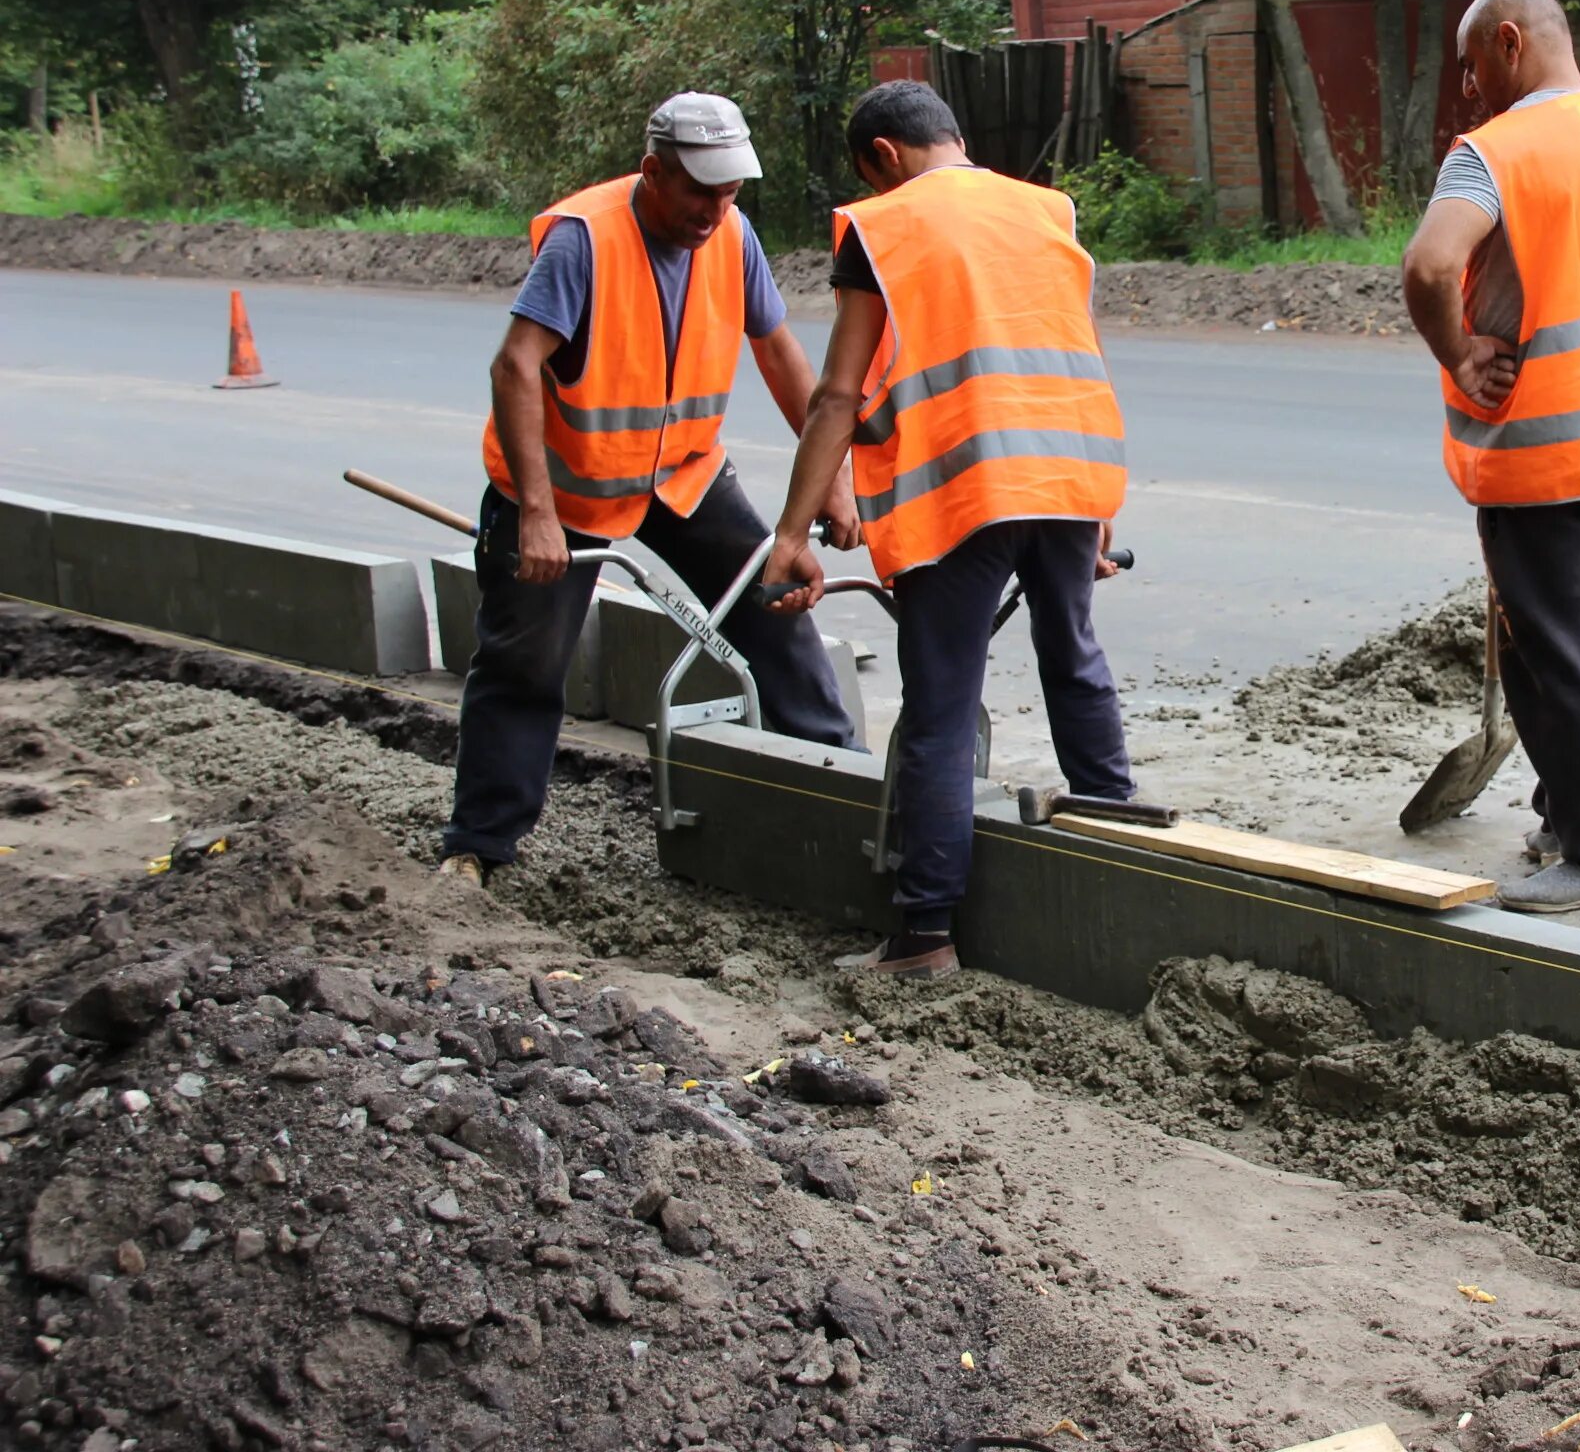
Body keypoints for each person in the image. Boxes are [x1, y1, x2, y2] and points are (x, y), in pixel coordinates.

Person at [762, 80, 1133, 981]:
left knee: (938, 710)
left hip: (964, 497)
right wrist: (1098, 514)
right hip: (1068, 480)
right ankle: (1129, 855)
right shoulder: (1049, 209)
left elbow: (840, 395)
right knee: (1075, 659)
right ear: (953, 136)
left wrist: (792, 532)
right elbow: (1071, 351)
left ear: (883, 157)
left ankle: (925, 936)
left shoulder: (880, 226)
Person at [436, 92, 857, 886]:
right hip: (568, 490)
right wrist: (533, 513)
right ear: (653, 172)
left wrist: (832, 480)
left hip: (684, 475)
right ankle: (479, 847)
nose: (715, 210)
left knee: (775, 612)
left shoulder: (732, 235)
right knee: (523, 665)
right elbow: (515, 365)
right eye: (699, 191)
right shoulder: (583, 241)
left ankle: (847, 790)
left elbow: (779, 354)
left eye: (729, 192)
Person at [1400, 0, 1580, 914]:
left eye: (1473, 65)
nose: (1469, 88)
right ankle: (1566, 813)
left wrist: (1457, 350)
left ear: (1510, 43)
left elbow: (1431, 263)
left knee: (1554, 659)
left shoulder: (1492, 154)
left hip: (1543, 457)